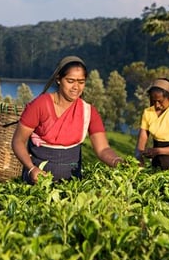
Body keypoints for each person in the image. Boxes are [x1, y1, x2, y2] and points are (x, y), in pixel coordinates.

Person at [12, 55, 123, 184]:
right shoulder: (40, 105)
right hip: (37, 182)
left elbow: (103, 148)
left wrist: (117, 162)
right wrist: (31, 169)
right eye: (70, 81)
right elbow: (18, 141)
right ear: (59, 79)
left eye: (81, 82)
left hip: (72, 185)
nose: (76, 87)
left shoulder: (88, 111)